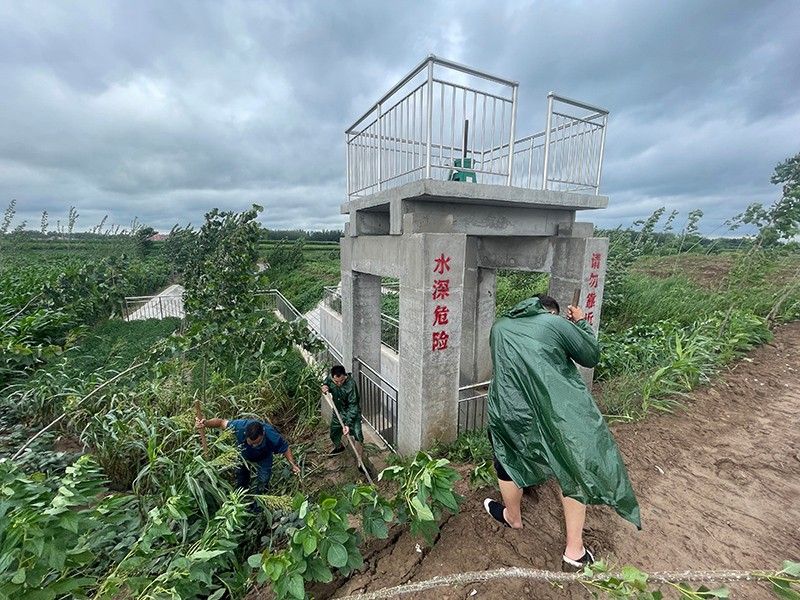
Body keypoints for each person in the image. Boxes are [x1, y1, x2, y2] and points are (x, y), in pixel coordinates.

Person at [483, 294, 640, 569]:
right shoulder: (555, 323)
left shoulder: (500, 326)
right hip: (554, 409)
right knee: (571, 465)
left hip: (509, 410)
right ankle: (574, 550)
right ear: (551, 312)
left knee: (507, 458)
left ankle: (513, 518)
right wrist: (580, 323)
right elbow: (590, 356)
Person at [196, 416, 300, 493]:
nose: (254, 445)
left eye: (257, 443)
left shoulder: (272, 435)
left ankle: (258, 504)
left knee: (263, 480)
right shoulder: (240, 427)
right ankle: (242, 494)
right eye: (251, 443)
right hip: (243, 455)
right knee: (241, 476)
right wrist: (206, 423)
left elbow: (285, 448)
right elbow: (221, 422)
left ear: (263, 434)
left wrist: (293, 465)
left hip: (264, 457)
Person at [321, 365, 364, 458]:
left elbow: (353, 406)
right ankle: (339, 447)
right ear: (333, 377)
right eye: (336, 382)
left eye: (342, 380)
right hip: (338, 411)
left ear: (345, 376)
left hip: (351, 413)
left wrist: (347, 424)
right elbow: (326, 383)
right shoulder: (330, 378)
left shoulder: (351, 385)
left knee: (358, 434)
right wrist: (324, 387)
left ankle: (359, 461)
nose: (339, 383)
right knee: (334, 433)